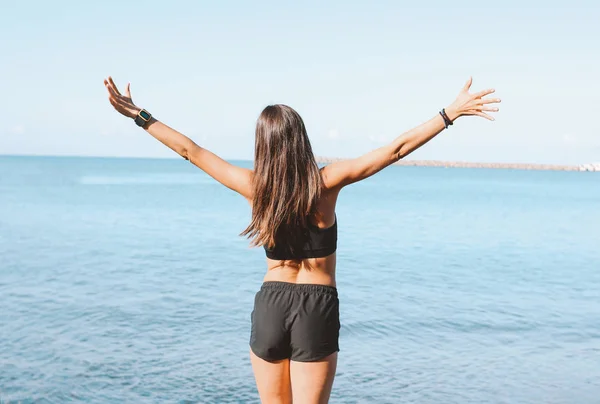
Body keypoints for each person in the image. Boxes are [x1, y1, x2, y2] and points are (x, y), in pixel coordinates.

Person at [103, 76, 500, 403]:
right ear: (300, 140)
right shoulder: (325, 183)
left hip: (271, 304)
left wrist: (141, 116)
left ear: (263, 145)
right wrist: (449, 113)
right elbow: (394, 150)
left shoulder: (254, 186)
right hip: (316, 305)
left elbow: (191, 150)